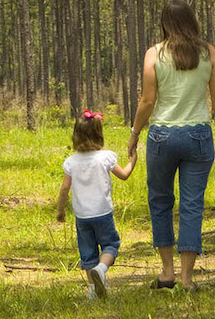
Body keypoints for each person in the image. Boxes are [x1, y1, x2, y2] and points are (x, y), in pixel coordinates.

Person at [128, 0, 215, 291]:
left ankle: (167, 272)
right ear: (193, 21)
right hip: (198, 134)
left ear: (165, 23)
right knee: (192, 205)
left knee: (160, 202)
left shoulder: (154, 54)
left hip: (162, 136)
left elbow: (147, 101)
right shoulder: (208, 53)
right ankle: (186, 279)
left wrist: (135, 133)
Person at [56, 110, 137, 299]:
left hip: (82, 216)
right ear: (99, 134)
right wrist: (133, 161)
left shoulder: (71, 162)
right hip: (102, 212)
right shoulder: (105, 157)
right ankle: (101, 269)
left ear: (75, 136)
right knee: (111, 245)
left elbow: (64, 188)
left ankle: (93, 291)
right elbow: (124, 174)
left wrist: (60, 210)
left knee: (88, 252)